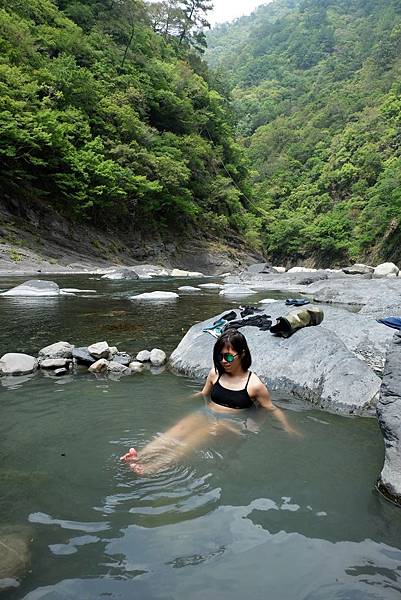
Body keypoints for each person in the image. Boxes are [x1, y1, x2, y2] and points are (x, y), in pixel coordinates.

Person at [121, 329, 299, 475]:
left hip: (231, 423)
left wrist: (287, 427)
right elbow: (204, 393)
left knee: (191, 441)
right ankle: (139, 456)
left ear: (242, 354)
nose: (223, 361)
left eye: (228, 357)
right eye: (220, 356)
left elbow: (271, 408)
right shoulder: (215, 372)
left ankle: (148, 469)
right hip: (206, 413)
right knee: (176, 431)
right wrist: (181, 400)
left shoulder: (254, 384)